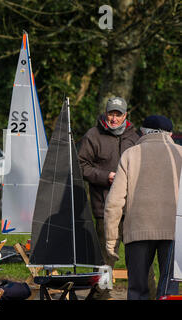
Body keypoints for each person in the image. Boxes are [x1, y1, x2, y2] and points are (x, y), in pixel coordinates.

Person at [104, 115, 182, 300]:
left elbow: (114, 202)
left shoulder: (131, 154)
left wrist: (111, 239)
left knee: (137, 291)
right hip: (173, 232)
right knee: (168, 292)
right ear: (170, 134)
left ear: (143, 131)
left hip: (138, 231)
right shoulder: (179, 154)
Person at [78, 97, 141, 298]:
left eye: (118, 114)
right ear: (106, 113)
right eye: (111, 113)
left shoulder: (136, 137)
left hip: (132, 210)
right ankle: (100, 296)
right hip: (104, 209)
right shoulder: (93, 135)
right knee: (106, 260)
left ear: (125, 115)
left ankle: (145, 294)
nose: (114, 118)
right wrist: (106, 176)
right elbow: (80, 166)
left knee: (140, 257)